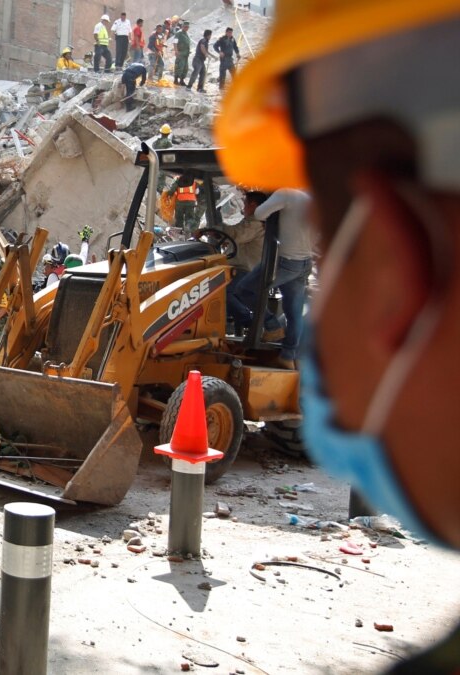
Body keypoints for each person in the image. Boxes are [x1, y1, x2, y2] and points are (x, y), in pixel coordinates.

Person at [217, 3, 460, 670]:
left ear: (390, 264)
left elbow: (251, 223)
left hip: (276, 272)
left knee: (254, 299)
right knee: (288, 311)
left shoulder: (277, 203)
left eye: (340, 242)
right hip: (288, 277)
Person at [227, 189, 316, 368]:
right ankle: (289, 356)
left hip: (283, 261)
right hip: (303, 262)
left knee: (243, 289)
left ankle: (271, 325)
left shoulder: (286, 193)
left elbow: (260, 213)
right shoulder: (310, 197)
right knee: (293, 312)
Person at [174, 20, 192, 87]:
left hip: (186, 54)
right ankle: (176, 80)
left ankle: (182, 80)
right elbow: (175, 42)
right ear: (182, 26)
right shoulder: (179, 33)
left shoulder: (186, 34)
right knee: (179, 66)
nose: (186, 28)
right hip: (180, 53)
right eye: (185, 27)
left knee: (185, 68)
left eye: (187, 27)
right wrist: (176, 51)